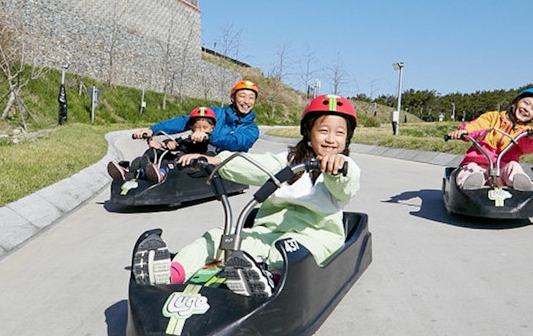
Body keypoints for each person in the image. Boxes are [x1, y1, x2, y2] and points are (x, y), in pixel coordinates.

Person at [131, 94, 360, 297]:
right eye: (323, 130)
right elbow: (255, 165)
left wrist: (338, 170)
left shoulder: (344, 167)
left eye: (339, 133)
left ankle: (271, 282)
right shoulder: (288, 160)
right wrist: (218, 161)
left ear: (347, 138)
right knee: (218, 237)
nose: (331, 139)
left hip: (314, 237)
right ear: (308, 131)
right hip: (269, 233)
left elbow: (346, 188)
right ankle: (169, 274)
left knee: (288, 253)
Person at [451, 87, 533, 191]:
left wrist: (531, 138)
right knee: (471, 169)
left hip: (502, 172)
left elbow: (528, 149)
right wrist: (465, 131)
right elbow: (476, 126)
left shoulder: (527, 132)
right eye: (526, 103)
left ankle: (522, 186)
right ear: (515, 102)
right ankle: (470, 184)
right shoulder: (492, 118)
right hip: (479, 166)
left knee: (513, 166)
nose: (527, 109)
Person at [131, 79, 260, 153]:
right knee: (163, 152)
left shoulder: (252, 130)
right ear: (233, 98)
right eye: (242, 96)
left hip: (225, 162)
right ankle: (139, 172)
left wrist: (209, 136)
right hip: (202, 153)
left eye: (251, 98)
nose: (246, 101)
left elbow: (236, 143)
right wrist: (152, 130)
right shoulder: (216, 113)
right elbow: (184, 122)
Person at [107, 107, 219, 183]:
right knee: (152, 153)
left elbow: (209, 148)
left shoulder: (211, 141)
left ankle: (160, 174)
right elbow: (175, 143)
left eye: (205, 128)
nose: (200, 130)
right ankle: (132, 173)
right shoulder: (187, 139)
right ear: (191, 128)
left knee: (172, 162)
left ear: (212, 128)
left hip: (193, 166)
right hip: (178, 159)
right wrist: (163, 144)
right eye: (197, 128)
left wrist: (204, 136)